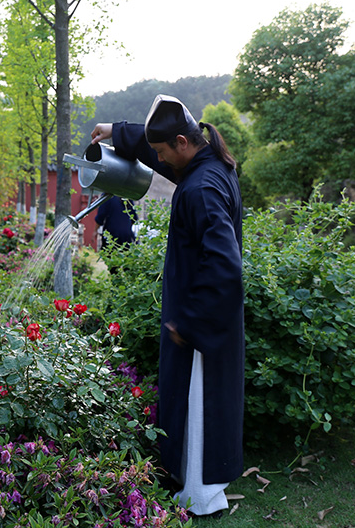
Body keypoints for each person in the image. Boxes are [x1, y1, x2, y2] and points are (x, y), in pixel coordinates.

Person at [90, 94, 244, 518]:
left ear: (181, 141)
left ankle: (202, 498)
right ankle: (194, 486)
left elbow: (225, 267)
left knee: (201, 403)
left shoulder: (202, 187)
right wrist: (117, 132)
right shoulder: (209, 164)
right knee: (197, 403)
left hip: (202, 320)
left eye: (161, 152)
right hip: (202, 315)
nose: (157, 160)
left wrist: (191, 321)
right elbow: (162, 153)